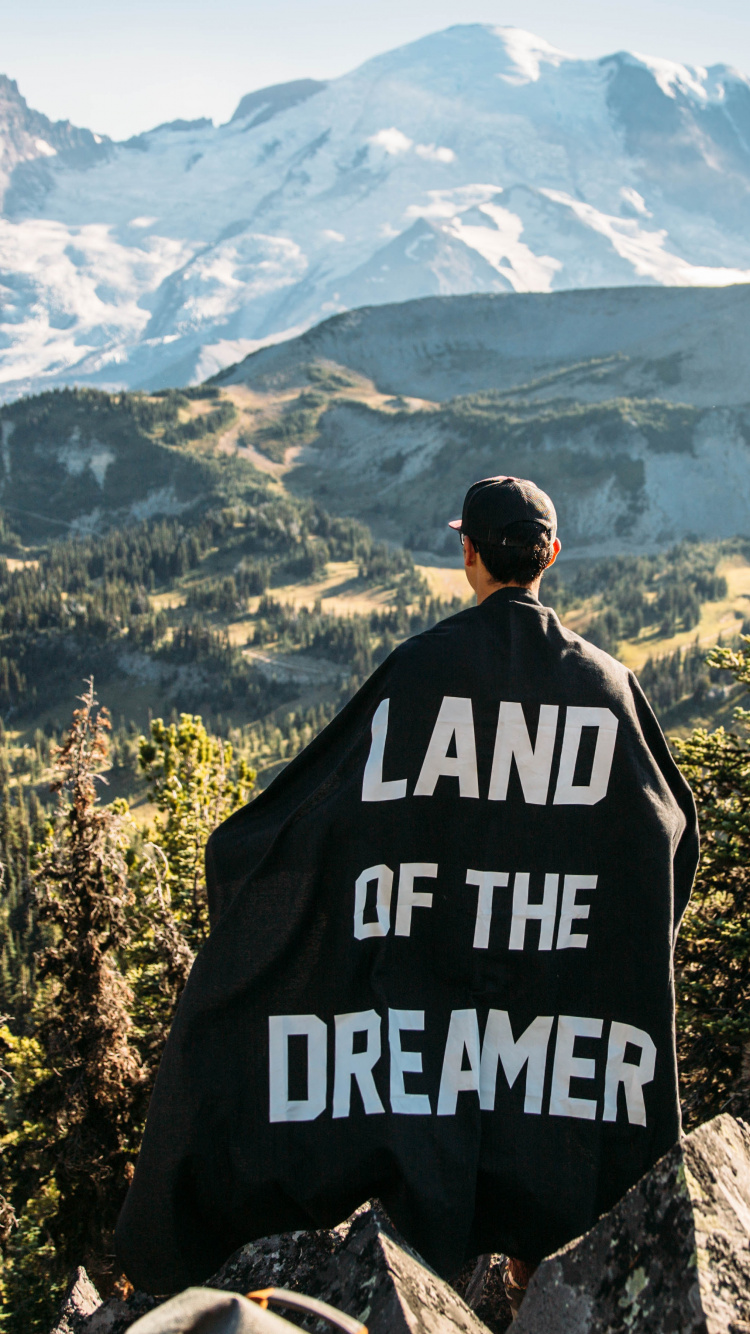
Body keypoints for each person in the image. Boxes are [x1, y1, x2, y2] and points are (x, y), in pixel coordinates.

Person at [116, 476, 698, 1302]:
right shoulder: (606, 687)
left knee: (437, 1126)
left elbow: (317, 811)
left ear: (468, 554)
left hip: (434, 1012)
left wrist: (249, 872)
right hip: (557, 1018)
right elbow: (666, 836)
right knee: (552, 1167)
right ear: (551, 557)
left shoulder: (419, 672)